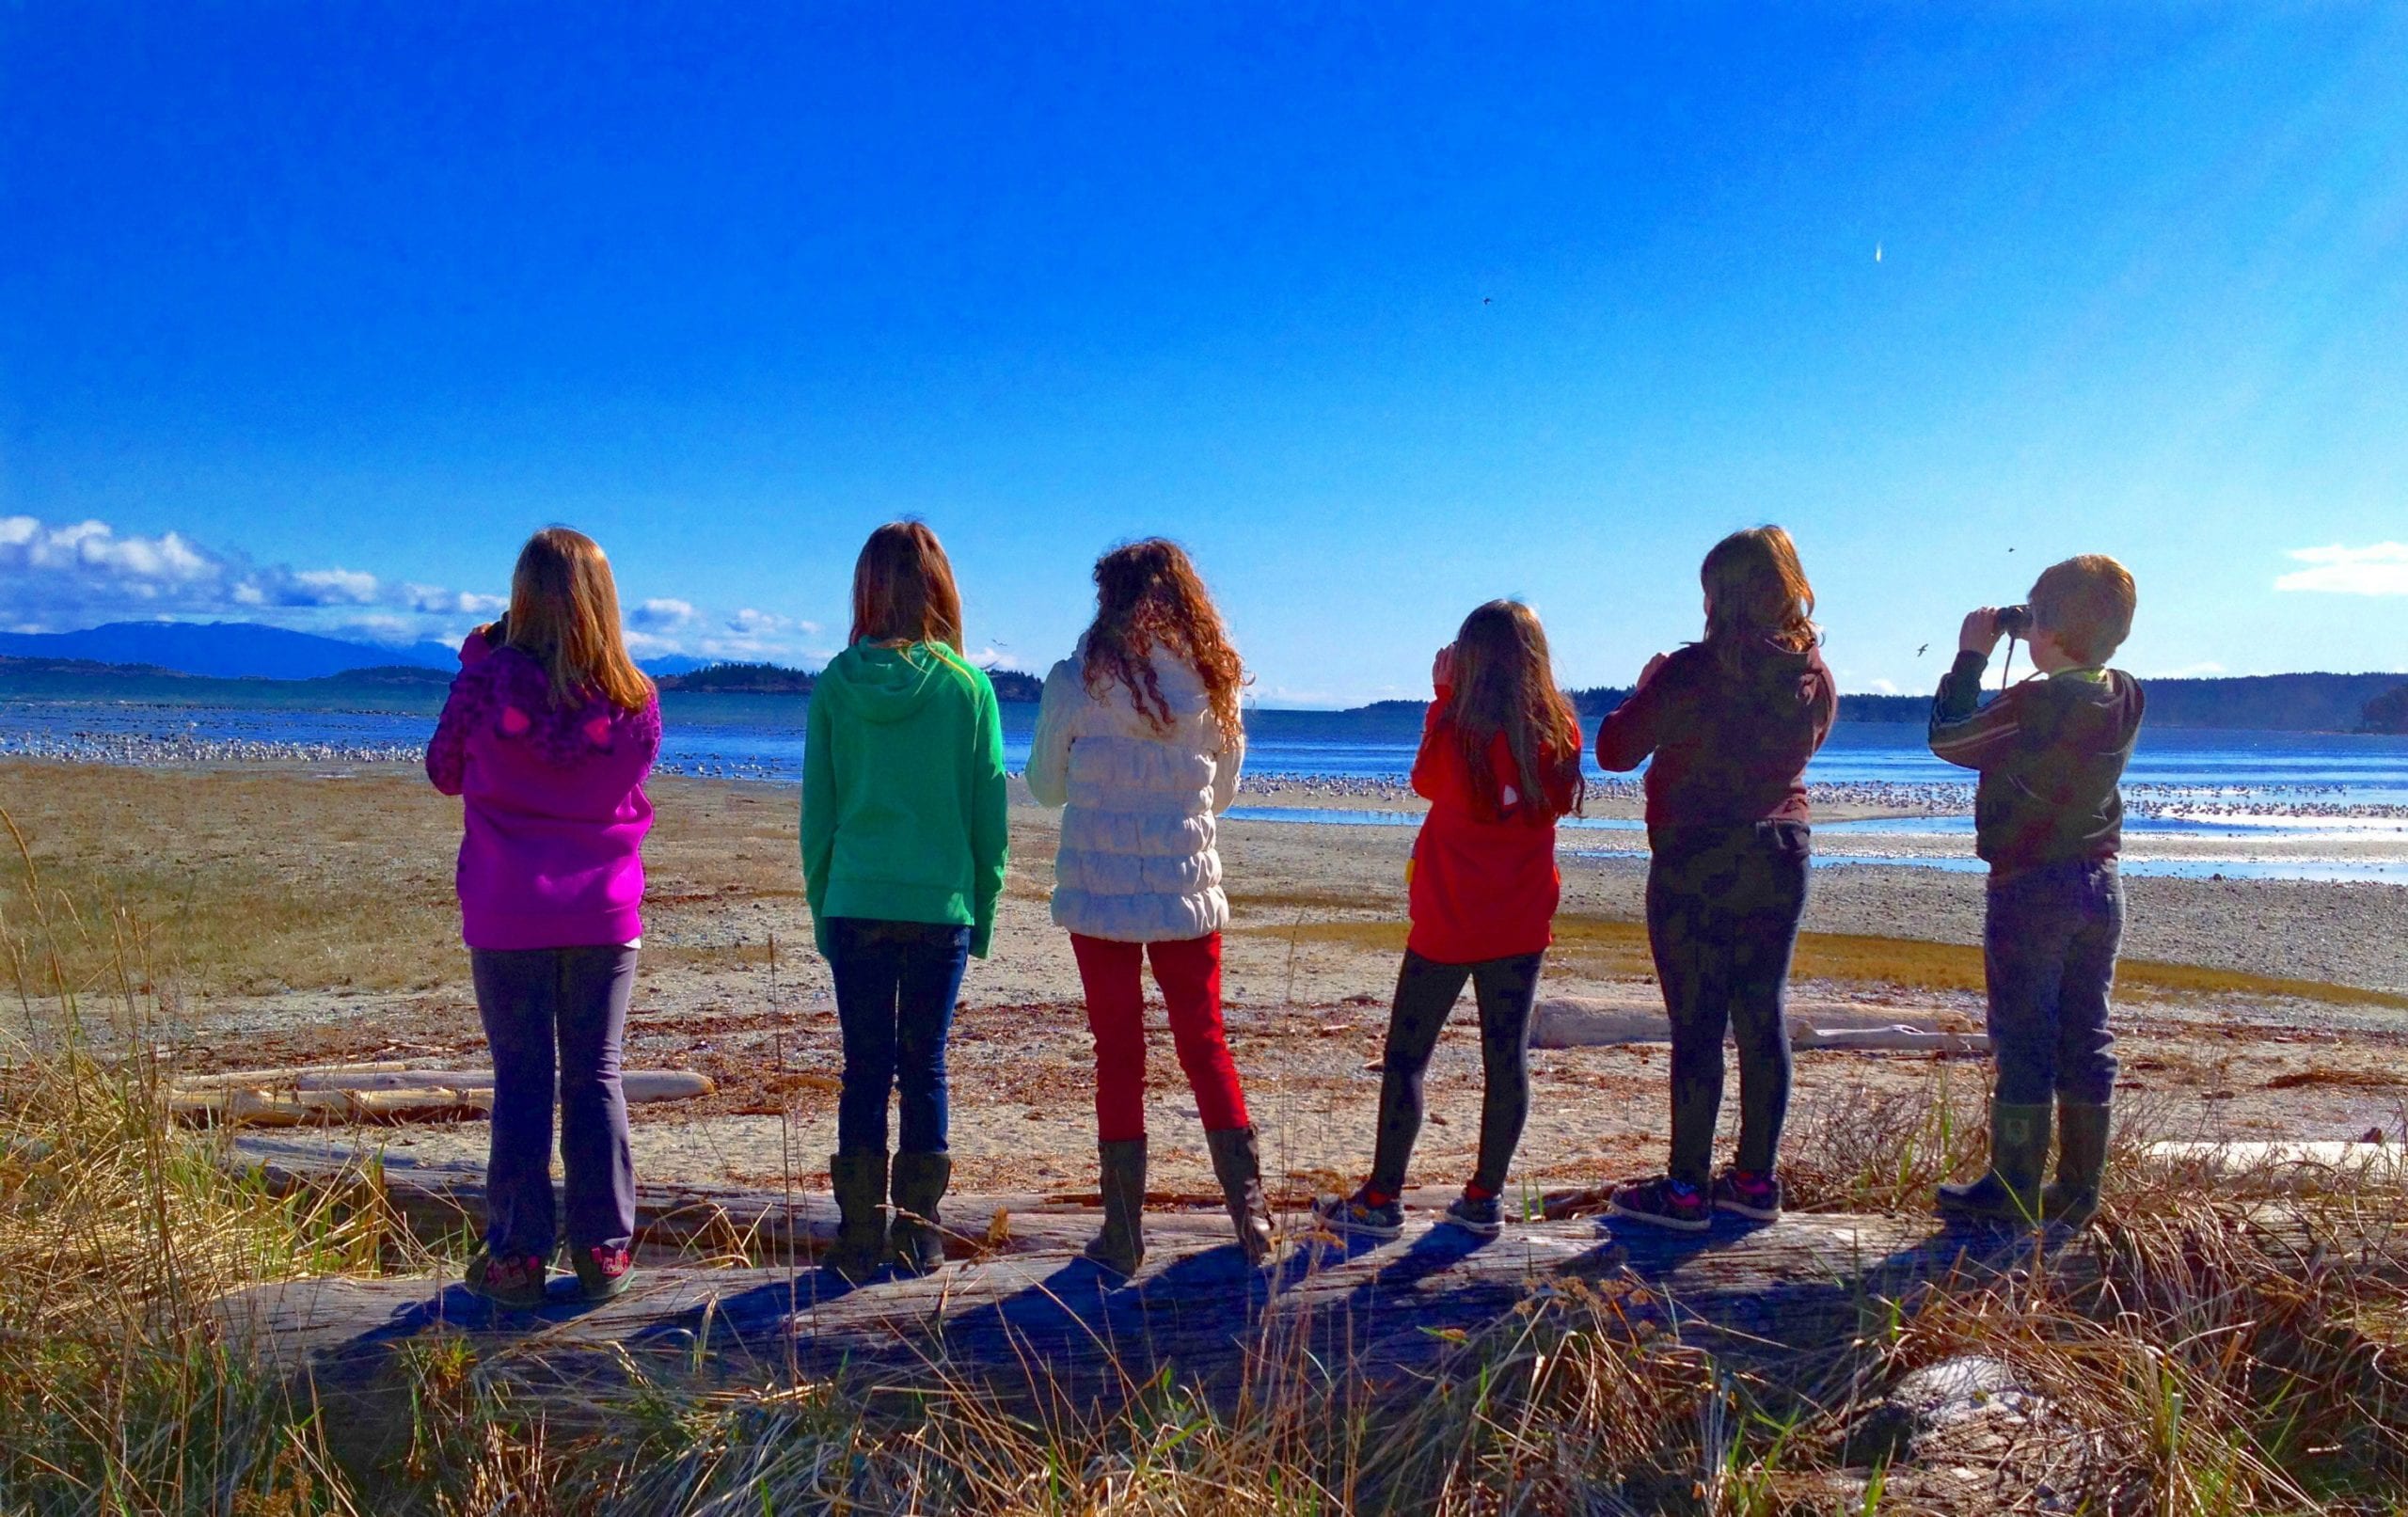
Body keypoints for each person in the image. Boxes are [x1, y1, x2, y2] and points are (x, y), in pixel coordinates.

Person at [427, 526, 662, 1306]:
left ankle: (519, 1255)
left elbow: (443, 770)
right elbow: (612, 768)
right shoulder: (636, 700)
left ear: (520, 601)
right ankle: (604, 1247)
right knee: (595, 1073)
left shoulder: (489, 686)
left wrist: (477, 666)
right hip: (602, 909)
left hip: (507, 907)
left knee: (523, 1078)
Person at [1026, 539, 1272, 1275]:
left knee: (1119, 1053)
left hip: (1100, 892)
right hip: (1183, 889)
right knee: (1205, 1043)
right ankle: (1252, 1218)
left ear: (1110, 600)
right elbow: (1222, 796)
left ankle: (1124, 1233)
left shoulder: (1075, 681)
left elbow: (1044, 785)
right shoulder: (1213, 682)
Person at [1315, 601, 1585, 1240]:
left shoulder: (1460, 732)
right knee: (1505, 1056)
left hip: (1447, 922)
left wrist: (1441, 696)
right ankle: (1485, 1194)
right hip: (1518, 924)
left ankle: (1383, 1196)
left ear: (1471, 662)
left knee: (1408, 1056)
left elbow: (1424, 777)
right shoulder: (1560, 733)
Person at [1598, 527, 1836, 1232]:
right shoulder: (1814, 675)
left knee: (1698, 1023)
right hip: (1781, 846)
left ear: (1719, 595)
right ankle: (1755, 1179)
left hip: (1698, 851)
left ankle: (1685, 1190)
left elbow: (1614, 749)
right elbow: (1805, 744)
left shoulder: (1694, 670)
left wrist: (1645, 687)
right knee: (1762, 1015)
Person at [802, 521, 1009, 1279]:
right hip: (938, 907)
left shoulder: (836, 681)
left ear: (867, 589)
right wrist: (979, 912)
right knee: (924, 1067)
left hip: (856, 900)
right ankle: (918, 1235)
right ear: (940, 588)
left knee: (864, 1066)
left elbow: (817, 816)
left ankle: (860, 1236)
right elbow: (990, 819)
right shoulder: (967, 688)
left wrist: (825, 907)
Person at [1929, 555, 2143, 1228]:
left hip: (2031, 886)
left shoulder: (2034, 703)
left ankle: (2014, 1184)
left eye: (2035, 623)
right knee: (2086, 1032)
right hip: (2100, 883)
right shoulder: (2126, 693)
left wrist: (1971, 656)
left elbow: (1949, 737)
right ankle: (2080, 1187)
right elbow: (2080, 666)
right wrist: (2042, 630)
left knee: (2025, 1032)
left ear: (2046, 631)